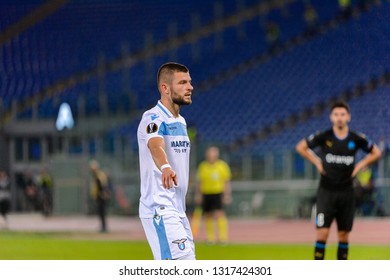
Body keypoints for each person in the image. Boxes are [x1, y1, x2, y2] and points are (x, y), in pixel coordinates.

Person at [295, 100, 381, 260]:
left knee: (343, 235)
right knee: (322, 233)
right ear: (331, 117)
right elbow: (300, 147)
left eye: (342, 114)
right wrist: (316, 162)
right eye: (336, 114)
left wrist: (361, 164)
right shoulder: (324, 136)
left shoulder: (356, 138)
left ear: (348, 117)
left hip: (347, 193)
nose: (339, 117)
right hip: (326, 192)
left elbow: (376, 152)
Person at [137, 62, 195, 260]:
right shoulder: (153, 117)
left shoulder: (181, 121)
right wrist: (165, 166)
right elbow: (155, 144)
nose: (190, 87)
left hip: (178, 209)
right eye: (182, 82)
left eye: (190, 82)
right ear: (165, 88)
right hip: (159, 207)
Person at [192, 146, 232, 244]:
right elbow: (199, 182)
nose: (211, 156)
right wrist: (198, 195)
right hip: (206, 193)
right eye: (209, 154)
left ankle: (223, 238)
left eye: (213, 154)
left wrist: (227, 195)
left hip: (218, 192)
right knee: (208, 215)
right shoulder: (203, 166)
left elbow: (226, 181)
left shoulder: (222, 166)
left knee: (219, 214)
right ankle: (210, 238)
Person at [89, 160, 110, 233]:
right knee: (100, 212)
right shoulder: (97, 175)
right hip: (99, 196)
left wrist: (104, 193)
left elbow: (103, 185)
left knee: (102, 211)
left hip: (101, 196)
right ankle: (103, 226)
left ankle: (104, 227)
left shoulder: (99, 175)